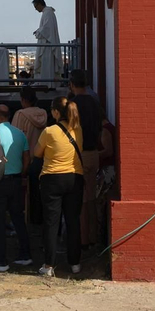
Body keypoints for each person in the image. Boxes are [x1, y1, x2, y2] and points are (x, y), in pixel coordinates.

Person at [33, 96, 84, 278]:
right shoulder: (78, 129)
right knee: (73, 221)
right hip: (75, 178)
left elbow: (37, 153)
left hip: (52, 179)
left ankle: (49, 264)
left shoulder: (49, 131)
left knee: (51, 223)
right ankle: (75, 263)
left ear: (55, 112)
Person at [0, 103, 33, 272]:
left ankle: (0, 259)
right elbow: (27, 158)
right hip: (16, 180)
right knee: (18, 217)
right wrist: (22, 174)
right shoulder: (20, 134)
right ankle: (25, 254)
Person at [67, 69, 106, 245]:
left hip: (78, 155)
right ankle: (93, 236)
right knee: (91, 197)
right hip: (94, 154)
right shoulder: (95, 101)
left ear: (72, 84)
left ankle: (82, 240)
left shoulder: (72, 105)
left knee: (80, 200)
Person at [13, 86, 49, 223]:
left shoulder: (20, 115)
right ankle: (38, 218)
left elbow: (15, 139)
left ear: (23, 99)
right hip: (41, 159)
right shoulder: (43, 114)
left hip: (25, 160)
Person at [32, 0, 61, 82]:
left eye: (36, 7)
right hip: (46, 44)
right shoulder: (47, 13)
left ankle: (48, 84)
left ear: (40, 4)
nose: (36, 9)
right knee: (46, 66)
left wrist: (38, 32)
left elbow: (47, 29)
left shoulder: (48, 13)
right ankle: (46, 83)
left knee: (47, 65)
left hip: (47, 45)